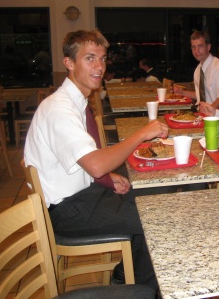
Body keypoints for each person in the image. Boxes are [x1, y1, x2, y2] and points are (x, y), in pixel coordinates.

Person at [24, 29, 169, 291]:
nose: (99, 67)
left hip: (81, 195)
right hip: (69, 211)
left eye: (102, 59)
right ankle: (144, 291)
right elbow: (95, 163)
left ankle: (128, 274)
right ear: (69, 62)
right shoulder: (60, 109)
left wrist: (105, 177)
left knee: (150, 194)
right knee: (157, 217)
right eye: (90, 58)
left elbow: (82, 163)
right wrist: (142, 133)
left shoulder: (73, 102)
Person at [173, 30, 219, 110]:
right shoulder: (198, 70)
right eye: (193, 47)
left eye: (200, 46)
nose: (196, 51)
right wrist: (182, 93)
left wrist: (207, 111)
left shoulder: (218, 67)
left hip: (216, 117)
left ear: (208, 47)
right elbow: (201, 94)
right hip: (202, 114)